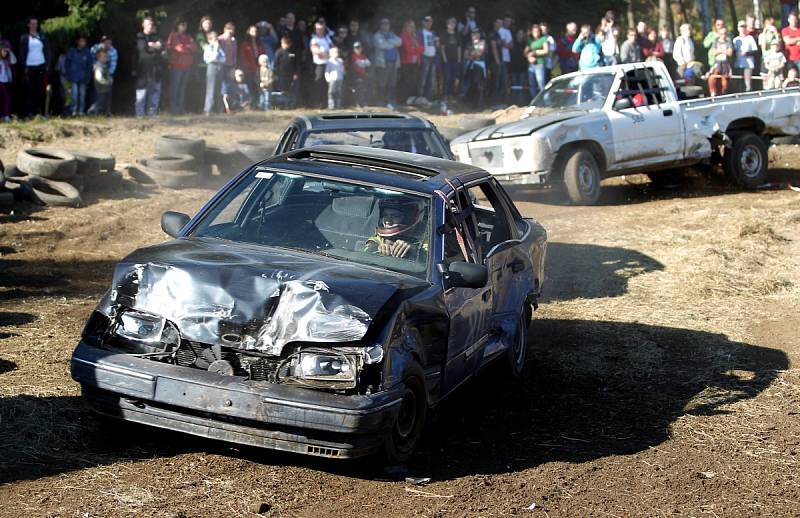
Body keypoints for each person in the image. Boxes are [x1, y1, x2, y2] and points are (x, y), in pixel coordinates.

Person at [18, 16, 51, 117]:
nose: (34, 25)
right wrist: (24, 66)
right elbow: (21, 53)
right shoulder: (24, 37)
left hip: (41, 65)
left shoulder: (42, 36)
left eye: (35, 23)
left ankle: (39, 112)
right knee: (29, 90)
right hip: (29, 66)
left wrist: (47, 64)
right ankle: (29, 112)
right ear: (28, 25)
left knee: (40, 90)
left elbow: (47, 50)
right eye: (32, 23)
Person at [134, 17, 165, 118]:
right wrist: (155, 47)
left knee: (154, 92)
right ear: (143, 25)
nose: (150, 26)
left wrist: (153, 46)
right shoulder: (139, 36)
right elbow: (143, 49)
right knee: (141, 93)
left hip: (155, 69)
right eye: (148, 24)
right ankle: (140, 115)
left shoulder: (156, 37)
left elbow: (162, 47)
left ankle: (152, 113)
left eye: (151, 24)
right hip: (143, 69)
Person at [167, 19, 198, 115]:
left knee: (182, 88)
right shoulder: (173, 35)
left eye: (185, 25)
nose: (184, 27)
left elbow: (195, 47)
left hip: (187, 65)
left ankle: (181, 109)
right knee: (175, 88)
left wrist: (186, 47)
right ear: (177, 25)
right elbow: (179, 48)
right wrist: (188, 47)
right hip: (176, 66)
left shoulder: (188, 36)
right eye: (182, 25)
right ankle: (173, 109)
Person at [373, 18, 402, 109]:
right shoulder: (377, 35)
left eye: (387, 24)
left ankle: (391, 101)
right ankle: (381, 102)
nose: (385, 25)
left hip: (394, 63)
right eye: (383, 24)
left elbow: (400, 42)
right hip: (383, 63)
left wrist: (388, 42)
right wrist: (393, 43)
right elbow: (382, 45)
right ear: (380, 25)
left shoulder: (392, 34)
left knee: (392, 83)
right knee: (382, 83)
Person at [65, 36, 92, 116]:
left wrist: (88, 76)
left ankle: (81, 110)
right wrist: (69, 74)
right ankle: (74, 110)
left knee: (82, 94)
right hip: (73, 77)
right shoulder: (71, 51)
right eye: (81, 41)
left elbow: (89, 66)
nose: (82, 43)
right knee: (74, 94)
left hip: (83, 77)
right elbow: (67, 64)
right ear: (77, 42)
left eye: (84, 41)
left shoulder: (87, 52)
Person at [460, 28, 487, 106]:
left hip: (479, 66)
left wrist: (471, 53)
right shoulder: (469, 43)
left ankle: (479, 102)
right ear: (471, 35)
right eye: (474, 34)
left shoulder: (482, 42)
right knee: (468, 82)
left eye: (477, 33)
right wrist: (473, 54)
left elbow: (479, 53)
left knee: (479, 83)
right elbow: (465, 55)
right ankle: (469, 101)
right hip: (470, 65)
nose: (476, 35)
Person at [90, 36, 117, 111]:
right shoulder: (95, 48)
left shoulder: (113, 51)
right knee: (98, 96)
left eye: (109, 43)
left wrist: (109, 78)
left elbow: (113, 64)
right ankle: (94, 111)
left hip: (108, 73)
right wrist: (94, 66)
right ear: (102, 42)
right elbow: (91, 57)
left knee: (107, 95)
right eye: (106, 42)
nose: (108, 44)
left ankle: (106, 112)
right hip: (99, 73)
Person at [239, 25, 266, 99]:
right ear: (248, 32)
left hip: (259, 68)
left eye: (255, 31)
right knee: (250, 86)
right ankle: (251, 102)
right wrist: (248, 66)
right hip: (249, 69)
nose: (254, 33)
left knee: (259, 86)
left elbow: (263, 55)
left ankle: (260, 102)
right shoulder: (245, 44)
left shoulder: (260, 44)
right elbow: (243, 57)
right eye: (252, 31)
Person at [399, 20, 423, 103]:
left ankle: (411, 100)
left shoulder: (415, 37)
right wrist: (416, 48)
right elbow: (408, 49)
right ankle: (403, 100)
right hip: (406, 63)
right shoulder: (403, 36)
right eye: (409, 26)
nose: (411, 28)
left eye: (412, 26)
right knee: (406, 82)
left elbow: (422, 49)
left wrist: (415, 47)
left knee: (414, 82)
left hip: (415, 63)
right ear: (405, 27)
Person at [203, 30, 226, 115]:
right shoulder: (208, 48)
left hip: (219, 67)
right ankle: (208, 109)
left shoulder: (220, 49)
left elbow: (224, 59)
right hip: (211, 67)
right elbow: (209, 59)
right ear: (209, 40)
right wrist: (216, 49)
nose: (216, 41)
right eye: (214, 39)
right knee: (210, 89)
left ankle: (218, 108)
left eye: (217, 39)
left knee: (218, 88)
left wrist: (218, 54)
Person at [310, 21, 332, 108]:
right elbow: (316, 50)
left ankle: (325, 104)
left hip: (328, 64)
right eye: (318, 29)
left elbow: (333, 48)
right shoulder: (314, 39)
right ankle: (316, 103)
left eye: (321, 29)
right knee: (318, 83)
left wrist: (328, 54)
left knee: (326, 84)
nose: (320, 30)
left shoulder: (327, 38)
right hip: (319, 64)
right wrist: (328, 54)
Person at [440, 17, 462, 103]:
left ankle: (450, 95)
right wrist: (444, 59)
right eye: (450, 23)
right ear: (447, 24)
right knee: (447, 78)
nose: (452, 25)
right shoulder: (444, 34)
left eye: (453, 23)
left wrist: (459, 58)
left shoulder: (457, 35)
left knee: (453, 79)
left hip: (456, 60)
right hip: (447, 61)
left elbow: (459, 47)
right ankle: (444, 96)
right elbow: (442, 48)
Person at [708, 26, 733, 96]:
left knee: (724, 83)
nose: (723, 35)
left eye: (725, 33)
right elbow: (714, 52)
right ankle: (713, 93)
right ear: (719, 34)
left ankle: (723, 93)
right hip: (717, 63)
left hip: (725, 63)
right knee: (712, 78)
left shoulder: (728, 42)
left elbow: (730, 53)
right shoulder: (715, 42)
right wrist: (724, 51)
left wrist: (720, 50)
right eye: (721, 33)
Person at [417, 16, 438, 100]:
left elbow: (435, 46)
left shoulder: (433, 33)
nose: (429, 22)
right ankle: (419, 98)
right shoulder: (419, 32)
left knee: (431, 80)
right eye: (427, 21)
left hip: (433, 58)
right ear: (423, 22)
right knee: (422, 79)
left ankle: (427, 99)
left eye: (430, 21)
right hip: (424, 57)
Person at [526, 24, 549, 99]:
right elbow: (525, 51)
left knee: (541, 84)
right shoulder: (530, 40)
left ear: (540, 32)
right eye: (534, 31)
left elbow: (546, 51)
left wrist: (535, 52)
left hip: (540, 64)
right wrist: (528, 57)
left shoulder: (543, 39)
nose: (535, 33)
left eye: (537, 31)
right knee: (531, 84)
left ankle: (545, 101)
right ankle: (534, 101)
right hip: (531, 65)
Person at [734, 20, 758, 91]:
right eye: (741, 26)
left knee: (748, 85)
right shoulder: (735, 40)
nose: (742, 28)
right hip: (738, 64)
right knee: (740, 85)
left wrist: (746, 53)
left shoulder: (750, 38)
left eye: (744, 26)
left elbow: (755, 51)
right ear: (738, 28)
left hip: (748, 65)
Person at [274, 36, 298, 106]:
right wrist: (275, 74)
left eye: (287, 44)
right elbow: (275, 64)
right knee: (282, 90)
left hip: (291, 75)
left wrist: (295, 73)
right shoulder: (279, 52)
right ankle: (282, 104)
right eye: (284, 43)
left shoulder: (292, 52)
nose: (285, 45)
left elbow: (295, 64)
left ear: (290, 44)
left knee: (290, 90)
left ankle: (291, 104)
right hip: (281, 75)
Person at [88, 49, 112, 115]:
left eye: (106, 56)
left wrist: (109, 80)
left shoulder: (104, 66)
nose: (105, 58)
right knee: (99, 101)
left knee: (104, 101)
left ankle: (104, 113)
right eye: (104, 57)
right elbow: (98, 78)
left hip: (105, 88)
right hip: (100, 88)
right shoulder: (98, 66)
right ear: (98, 57)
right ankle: (92, 111)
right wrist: (106, 82)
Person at [350, 41, 371, 107]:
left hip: (363, 75)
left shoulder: (363, 56)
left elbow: (369, 64)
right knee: (357, 89)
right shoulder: (353, 56)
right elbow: (360, 64)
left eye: (359, 47)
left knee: (364, 89)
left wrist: (362, 63)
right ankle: (357, 103)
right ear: (354, 49)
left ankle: (363, 102)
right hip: (356, 75)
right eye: (356, 48)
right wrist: (363, 63)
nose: (358, 49)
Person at [0, 44, 16, 122]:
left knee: (5, 98)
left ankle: (4, 115)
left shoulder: (6, 60)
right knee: (6, 97)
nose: (5, 53)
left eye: (6, 51)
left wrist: (10, 51)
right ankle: (5, 115)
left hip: (6, 81)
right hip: (0, 81)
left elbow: (14, 61)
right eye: (3, 51)